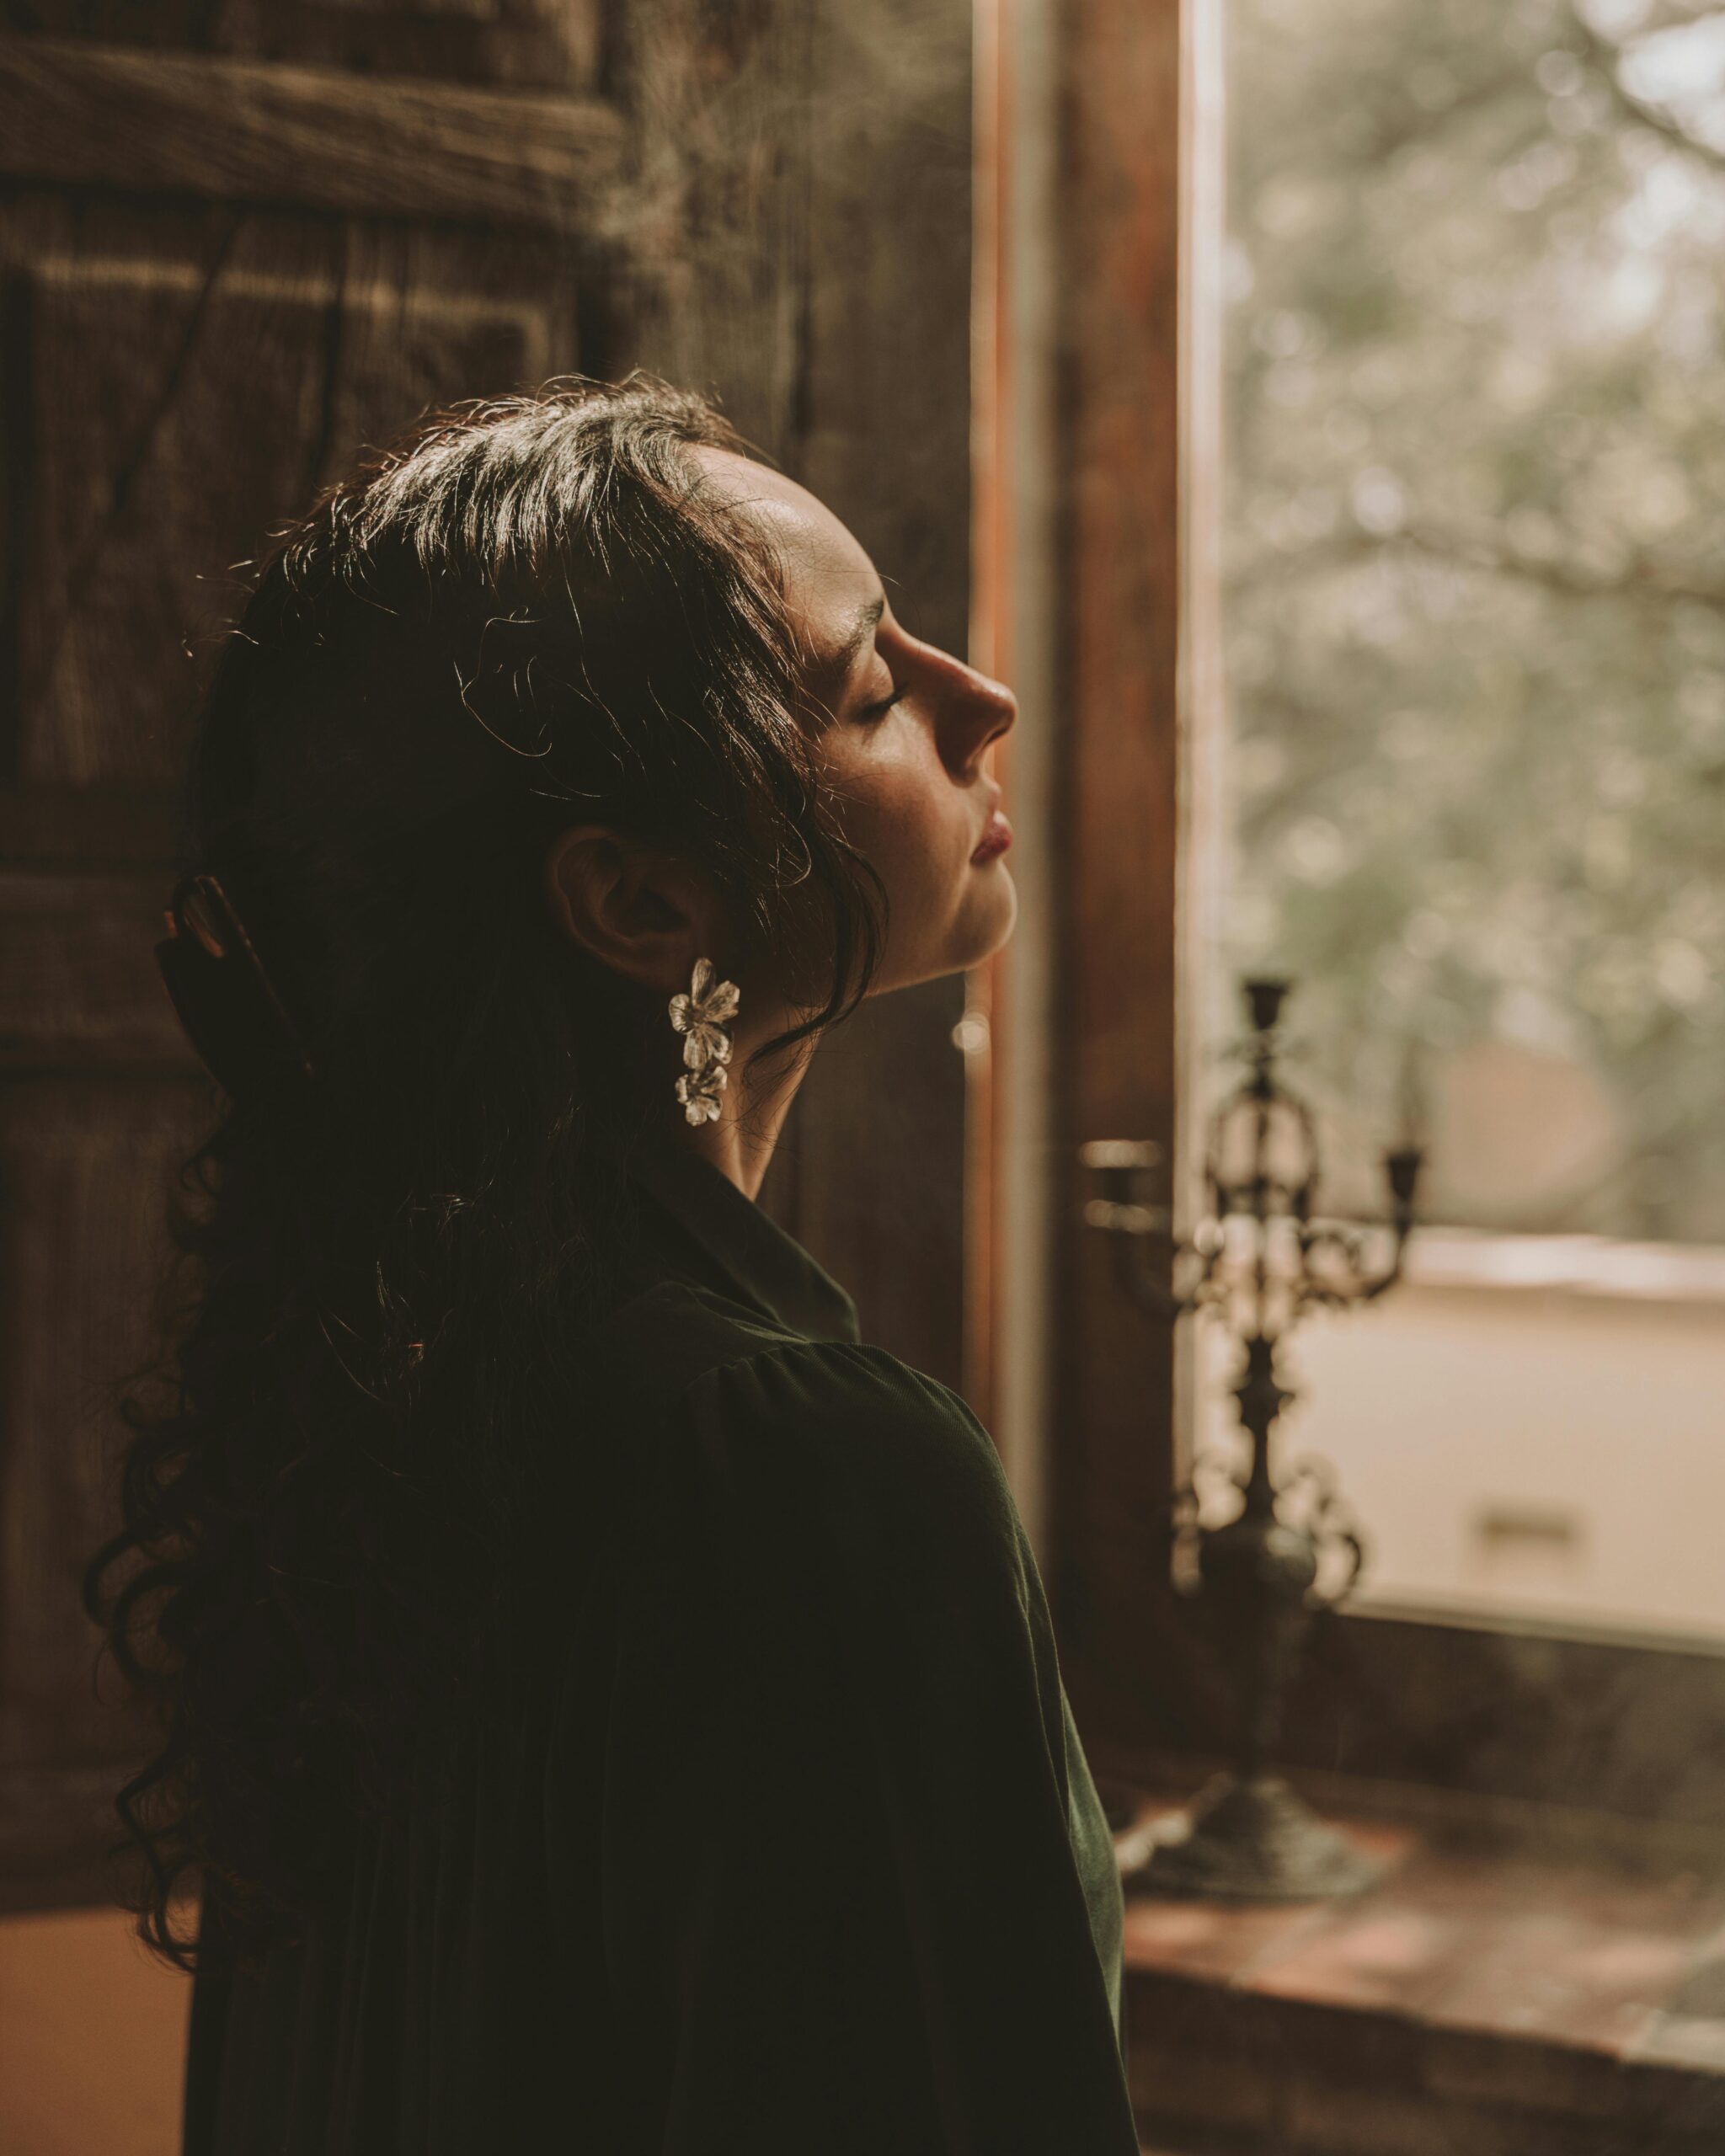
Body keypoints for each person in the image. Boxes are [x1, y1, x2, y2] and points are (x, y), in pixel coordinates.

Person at [84, 377, 1140, 2153]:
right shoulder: (811, 1480)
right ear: (642, 904)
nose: (984, 700)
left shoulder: (382, 1414)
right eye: (872, 684)